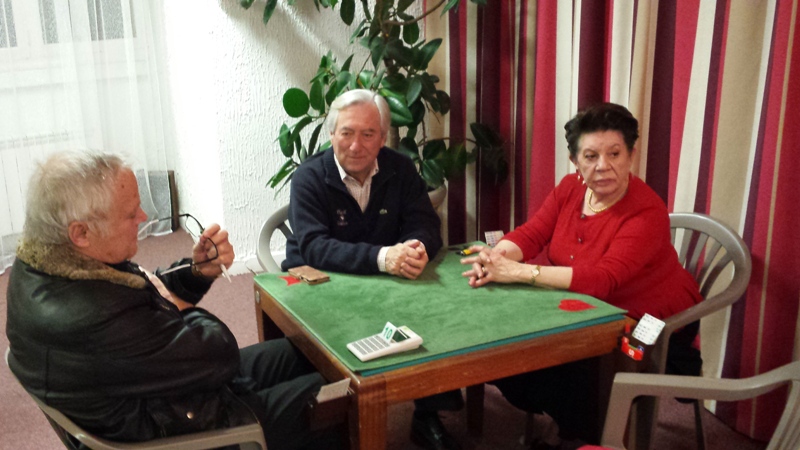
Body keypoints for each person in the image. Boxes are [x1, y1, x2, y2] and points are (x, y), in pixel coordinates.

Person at [6, 151, 341, 450]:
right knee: (344, 399)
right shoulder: (90, 315)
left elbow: (140, 289)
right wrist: (179, 305)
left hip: (162, 391)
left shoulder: (46, 262)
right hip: (183, 432)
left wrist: (195, 273)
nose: (143, 216)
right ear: (81, 233)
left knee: (309, 351)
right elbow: (219, 352)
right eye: (130, 214)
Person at [460, 103, 703, 448]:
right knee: (509, 344)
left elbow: (602, 280)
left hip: (651, 317)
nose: (603, 166)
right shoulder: (570, 188)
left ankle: (583, 438)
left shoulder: (647, 212)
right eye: (590, 156)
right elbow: (532, 234)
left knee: (571, 365)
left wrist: (518, 272)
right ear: (575, 161)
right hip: (583, 305)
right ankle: (569, 427)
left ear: (631, 155)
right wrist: (496, 256)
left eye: (614, 153)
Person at [282, 89, 464, 450]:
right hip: (321, 281)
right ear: (331, 134)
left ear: (382, 138)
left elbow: (425, 223)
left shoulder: (401, 168)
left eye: (368, 134)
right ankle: (331, 417)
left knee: (435, 308)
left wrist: (416, 248)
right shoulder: (308, 177)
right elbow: (315, 247)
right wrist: (383, 258)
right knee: (329, 345)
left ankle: (428, 413)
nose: (356, 145)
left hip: (387, 278)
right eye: (346, 133)